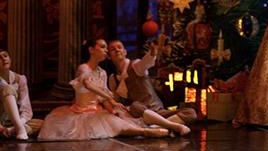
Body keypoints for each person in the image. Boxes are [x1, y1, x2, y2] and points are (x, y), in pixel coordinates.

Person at [38, 38, 169, 140]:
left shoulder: (103, 72)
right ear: (91, 50)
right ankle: (147, 131)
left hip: (99, 110)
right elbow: (88, 85)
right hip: (81, 112)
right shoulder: (84, 68)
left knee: (119, 120)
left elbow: (103, 95)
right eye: (103, 47)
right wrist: (109, 98)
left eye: (107, 48)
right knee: (114, 126)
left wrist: (113, 105)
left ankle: (150, 130)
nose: (106, 50)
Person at [107, 38, 196, 136]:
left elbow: (145, 62)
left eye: (119, 47)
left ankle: (157, 128)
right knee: (135, 106)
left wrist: (153, 52)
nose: (117, 50)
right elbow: (116, 100)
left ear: (125, 51)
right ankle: (167, 127)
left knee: (190, 113)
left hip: (156, 111)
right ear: (109, 56)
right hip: (137, 114)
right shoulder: (113, 78)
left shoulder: (135, 66)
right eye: (112, 49)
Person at [0, 49, 42, 140]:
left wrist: (16, 125)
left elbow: (27, 110)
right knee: (8, 89)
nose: (3, 59)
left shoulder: (20, 79)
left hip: (13, 123)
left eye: (5, 56)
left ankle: (11, 131)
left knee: (41, 124)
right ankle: (18, 130)